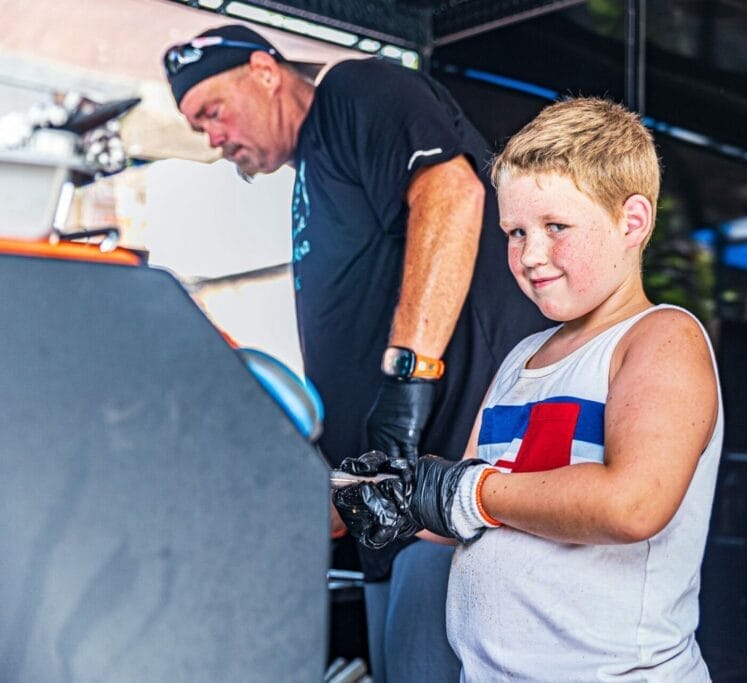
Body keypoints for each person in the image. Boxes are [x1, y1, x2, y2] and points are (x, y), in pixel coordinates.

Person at [161, 24, 548, 682]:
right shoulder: (313, 168)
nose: (214, 139)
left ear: (264, 69)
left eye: (213, 112)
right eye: (200, 128)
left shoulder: (354, 91)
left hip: (443, 506)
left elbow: (453, 194)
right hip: (383, 520)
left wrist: (407, 383)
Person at [335, 97, 724, 680]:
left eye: (555, 227)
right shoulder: (521, 358)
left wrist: (465, 493)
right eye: (514, 232)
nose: (530, 255)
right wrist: (399, 499)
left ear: (632, 222)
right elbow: (472, 506)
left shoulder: (661, 337)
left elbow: (633, 504)